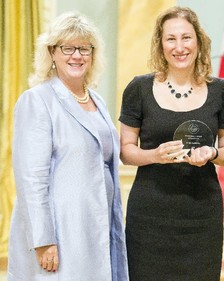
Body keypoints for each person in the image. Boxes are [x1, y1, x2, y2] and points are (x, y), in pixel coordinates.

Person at [119, 6, 224, 280]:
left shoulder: (221, 91)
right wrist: (154, 156)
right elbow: (126, 150)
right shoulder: (138, 89)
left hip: (201, 215)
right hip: (150, 215)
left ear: (199, 41)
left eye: (186, 38)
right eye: (170, 39)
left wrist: (212, 153)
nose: (179, 46)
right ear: (160, 45)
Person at [7, 12, 129, 281]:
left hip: (96, 225)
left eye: (84, 48)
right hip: (61, 232)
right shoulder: (37, 101)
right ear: (52, 52)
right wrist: (43, 239)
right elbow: (31, 179)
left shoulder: (97, 100)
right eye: (68, 48)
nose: (77, 55)